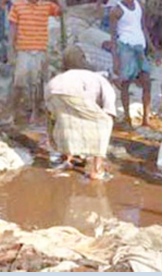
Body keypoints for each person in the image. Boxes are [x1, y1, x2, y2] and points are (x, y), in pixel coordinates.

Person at [45, 53, 117, 181]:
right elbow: (109, 114)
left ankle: (67, 159)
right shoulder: (106, 86)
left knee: (65, 122)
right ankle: (97, 170)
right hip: (69, 91)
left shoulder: (90, 78)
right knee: (104, 122)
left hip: (51, 88)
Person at [9, 0, 64, 124]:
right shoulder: (17, 5)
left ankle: (35, 112)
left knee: (37, 83)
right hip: (23, 49)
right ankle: (13, 112)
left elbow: (63, 10)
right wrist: (11, 49)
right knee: (18, 83)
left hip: (40, 50)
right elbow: (13, 28)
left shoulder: (46, 6)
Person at [109, 0, 155, 128]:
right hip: (125, 48)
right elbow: (113, 36)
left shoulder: (139, 7)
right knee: (125, 84)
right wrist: (115, 58)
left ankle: (146, 118)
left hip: (140, 47)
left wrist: (152, 47)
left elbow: (143, 28)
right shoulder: (117, 10)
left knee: (147, 82)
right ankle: (127, 117)